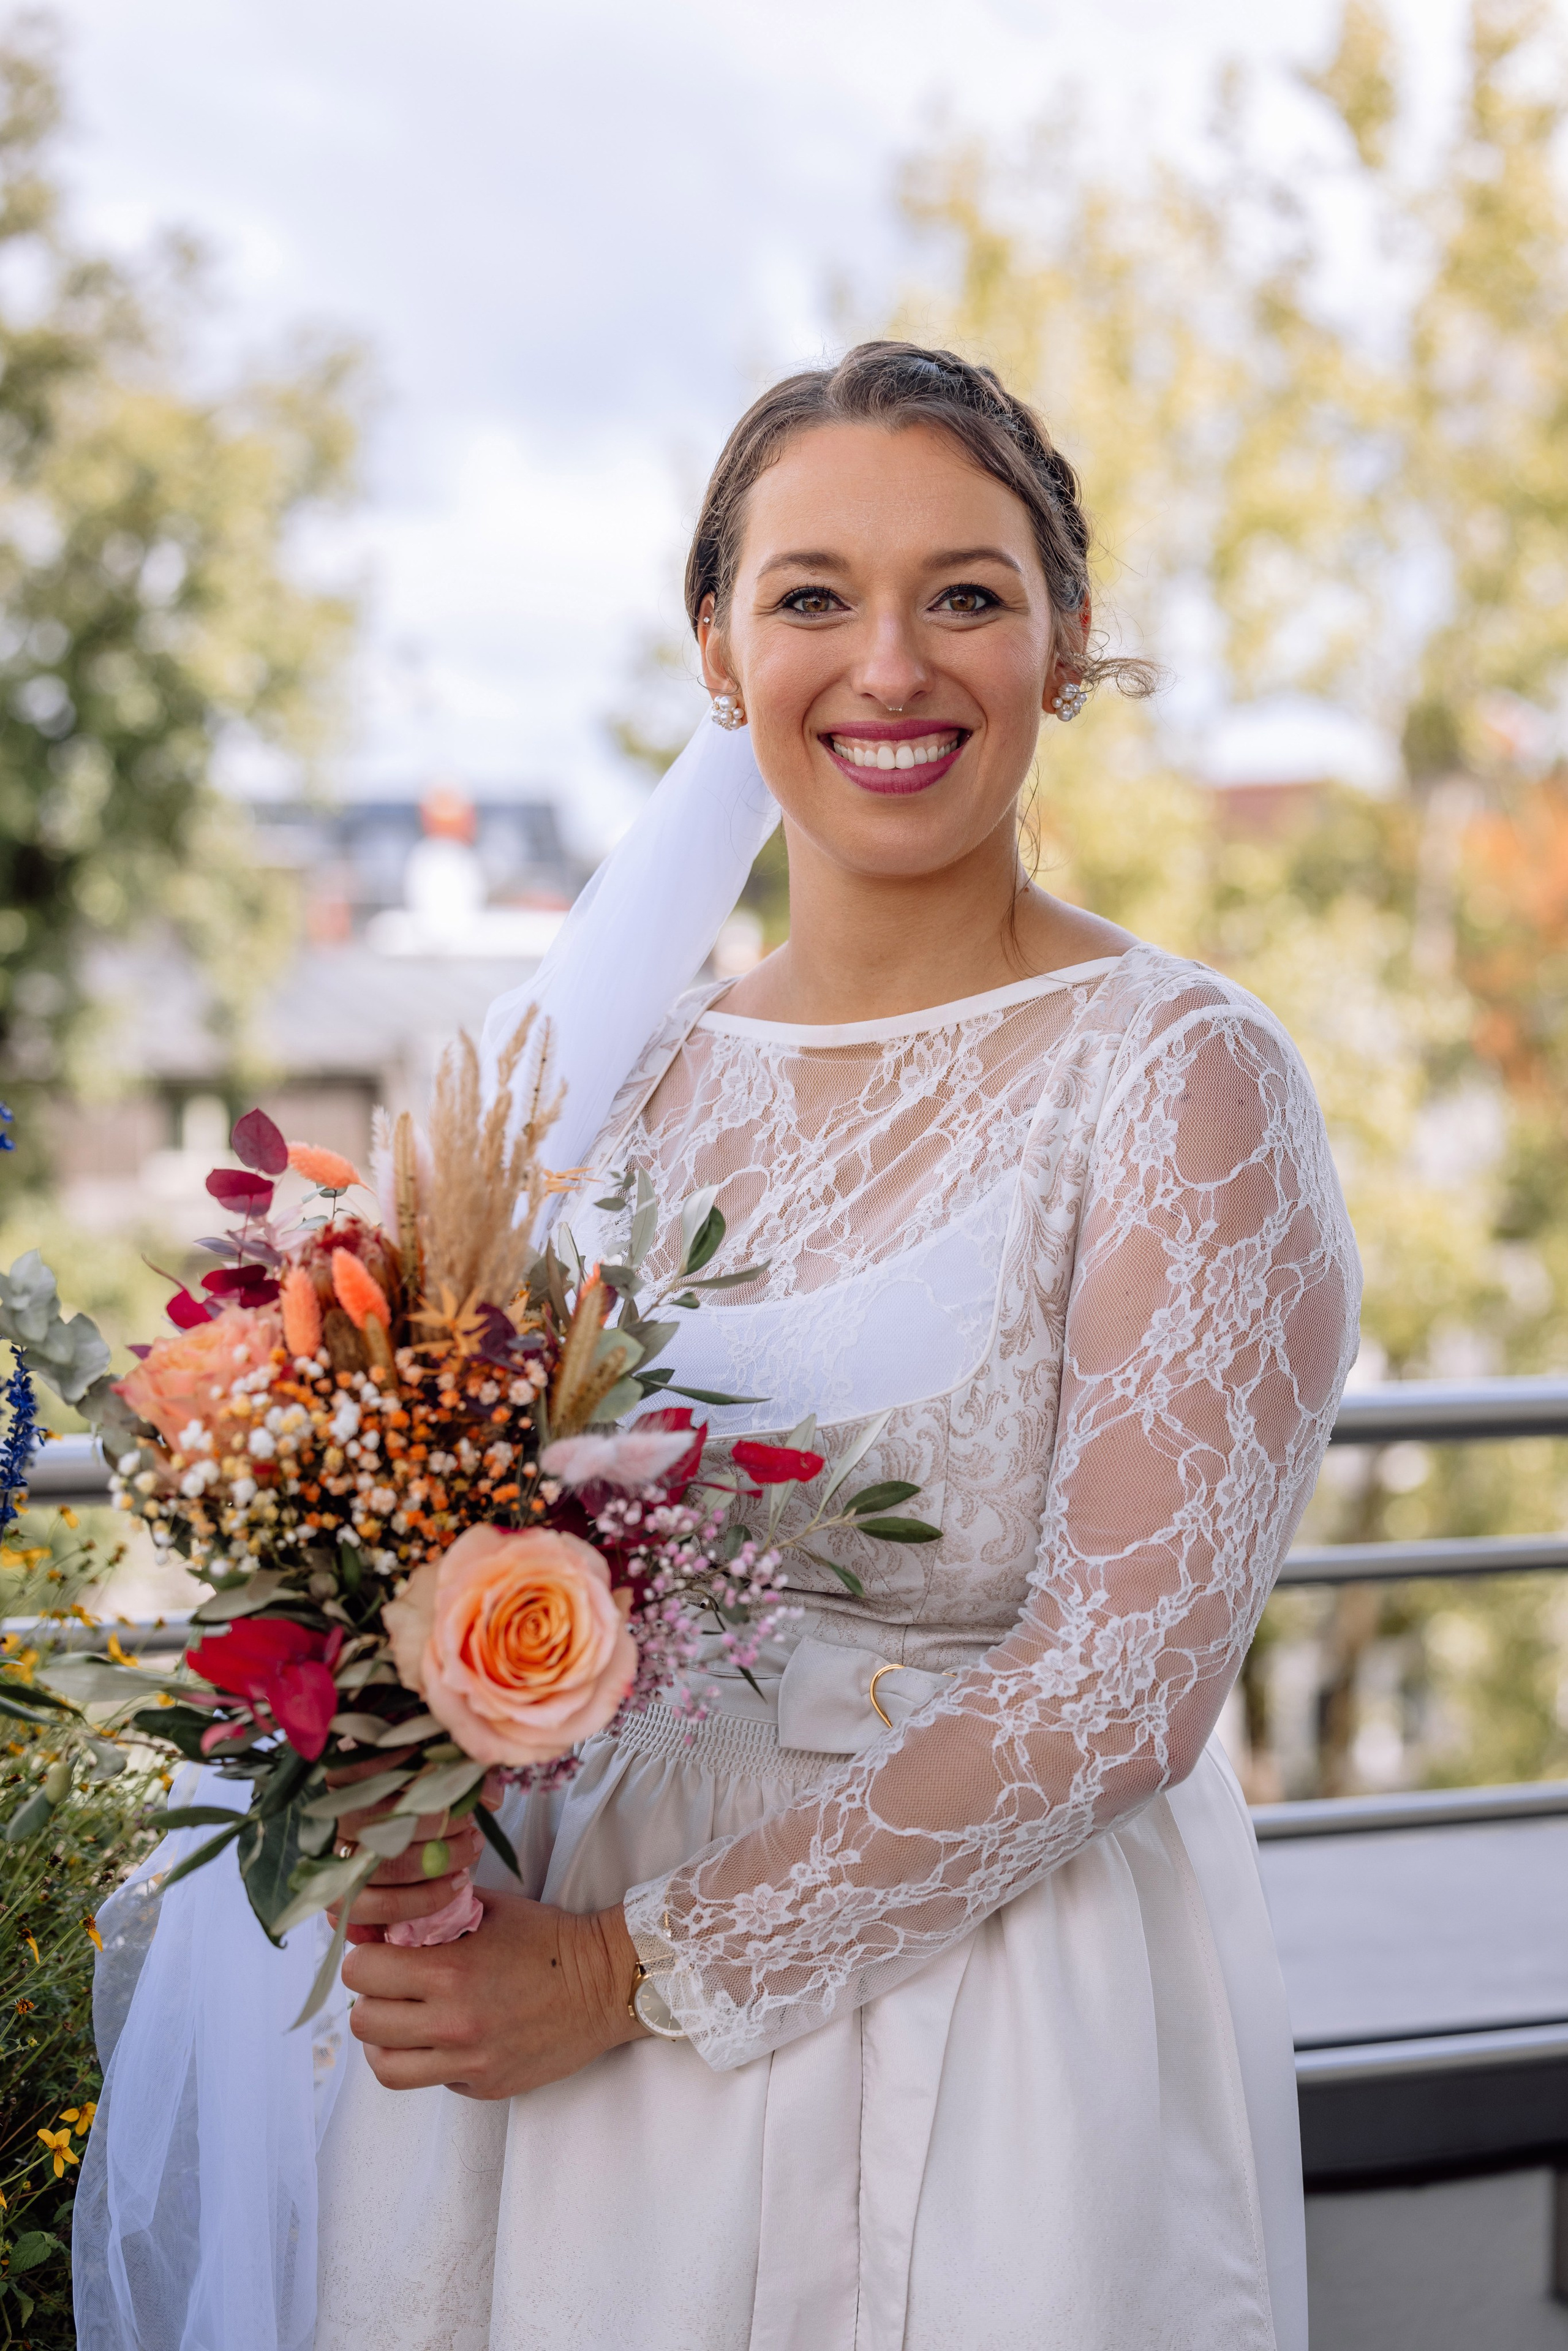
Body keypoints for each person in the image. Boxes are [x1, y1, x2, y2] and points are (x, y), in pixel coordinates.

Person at [94, 342, 1363, 2351]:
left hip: (983, 2033)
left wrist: (616, 1973)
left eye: (966, 592)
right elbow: (421, 1510)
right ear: (715, 646)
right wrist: (409, 1820)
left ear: (1068, 638)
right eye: (809, 597)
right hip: (553, 2060)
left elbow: (1127, 1685)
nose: (890, 666)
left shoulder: (1184, 1078)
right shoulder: (624, 1080)